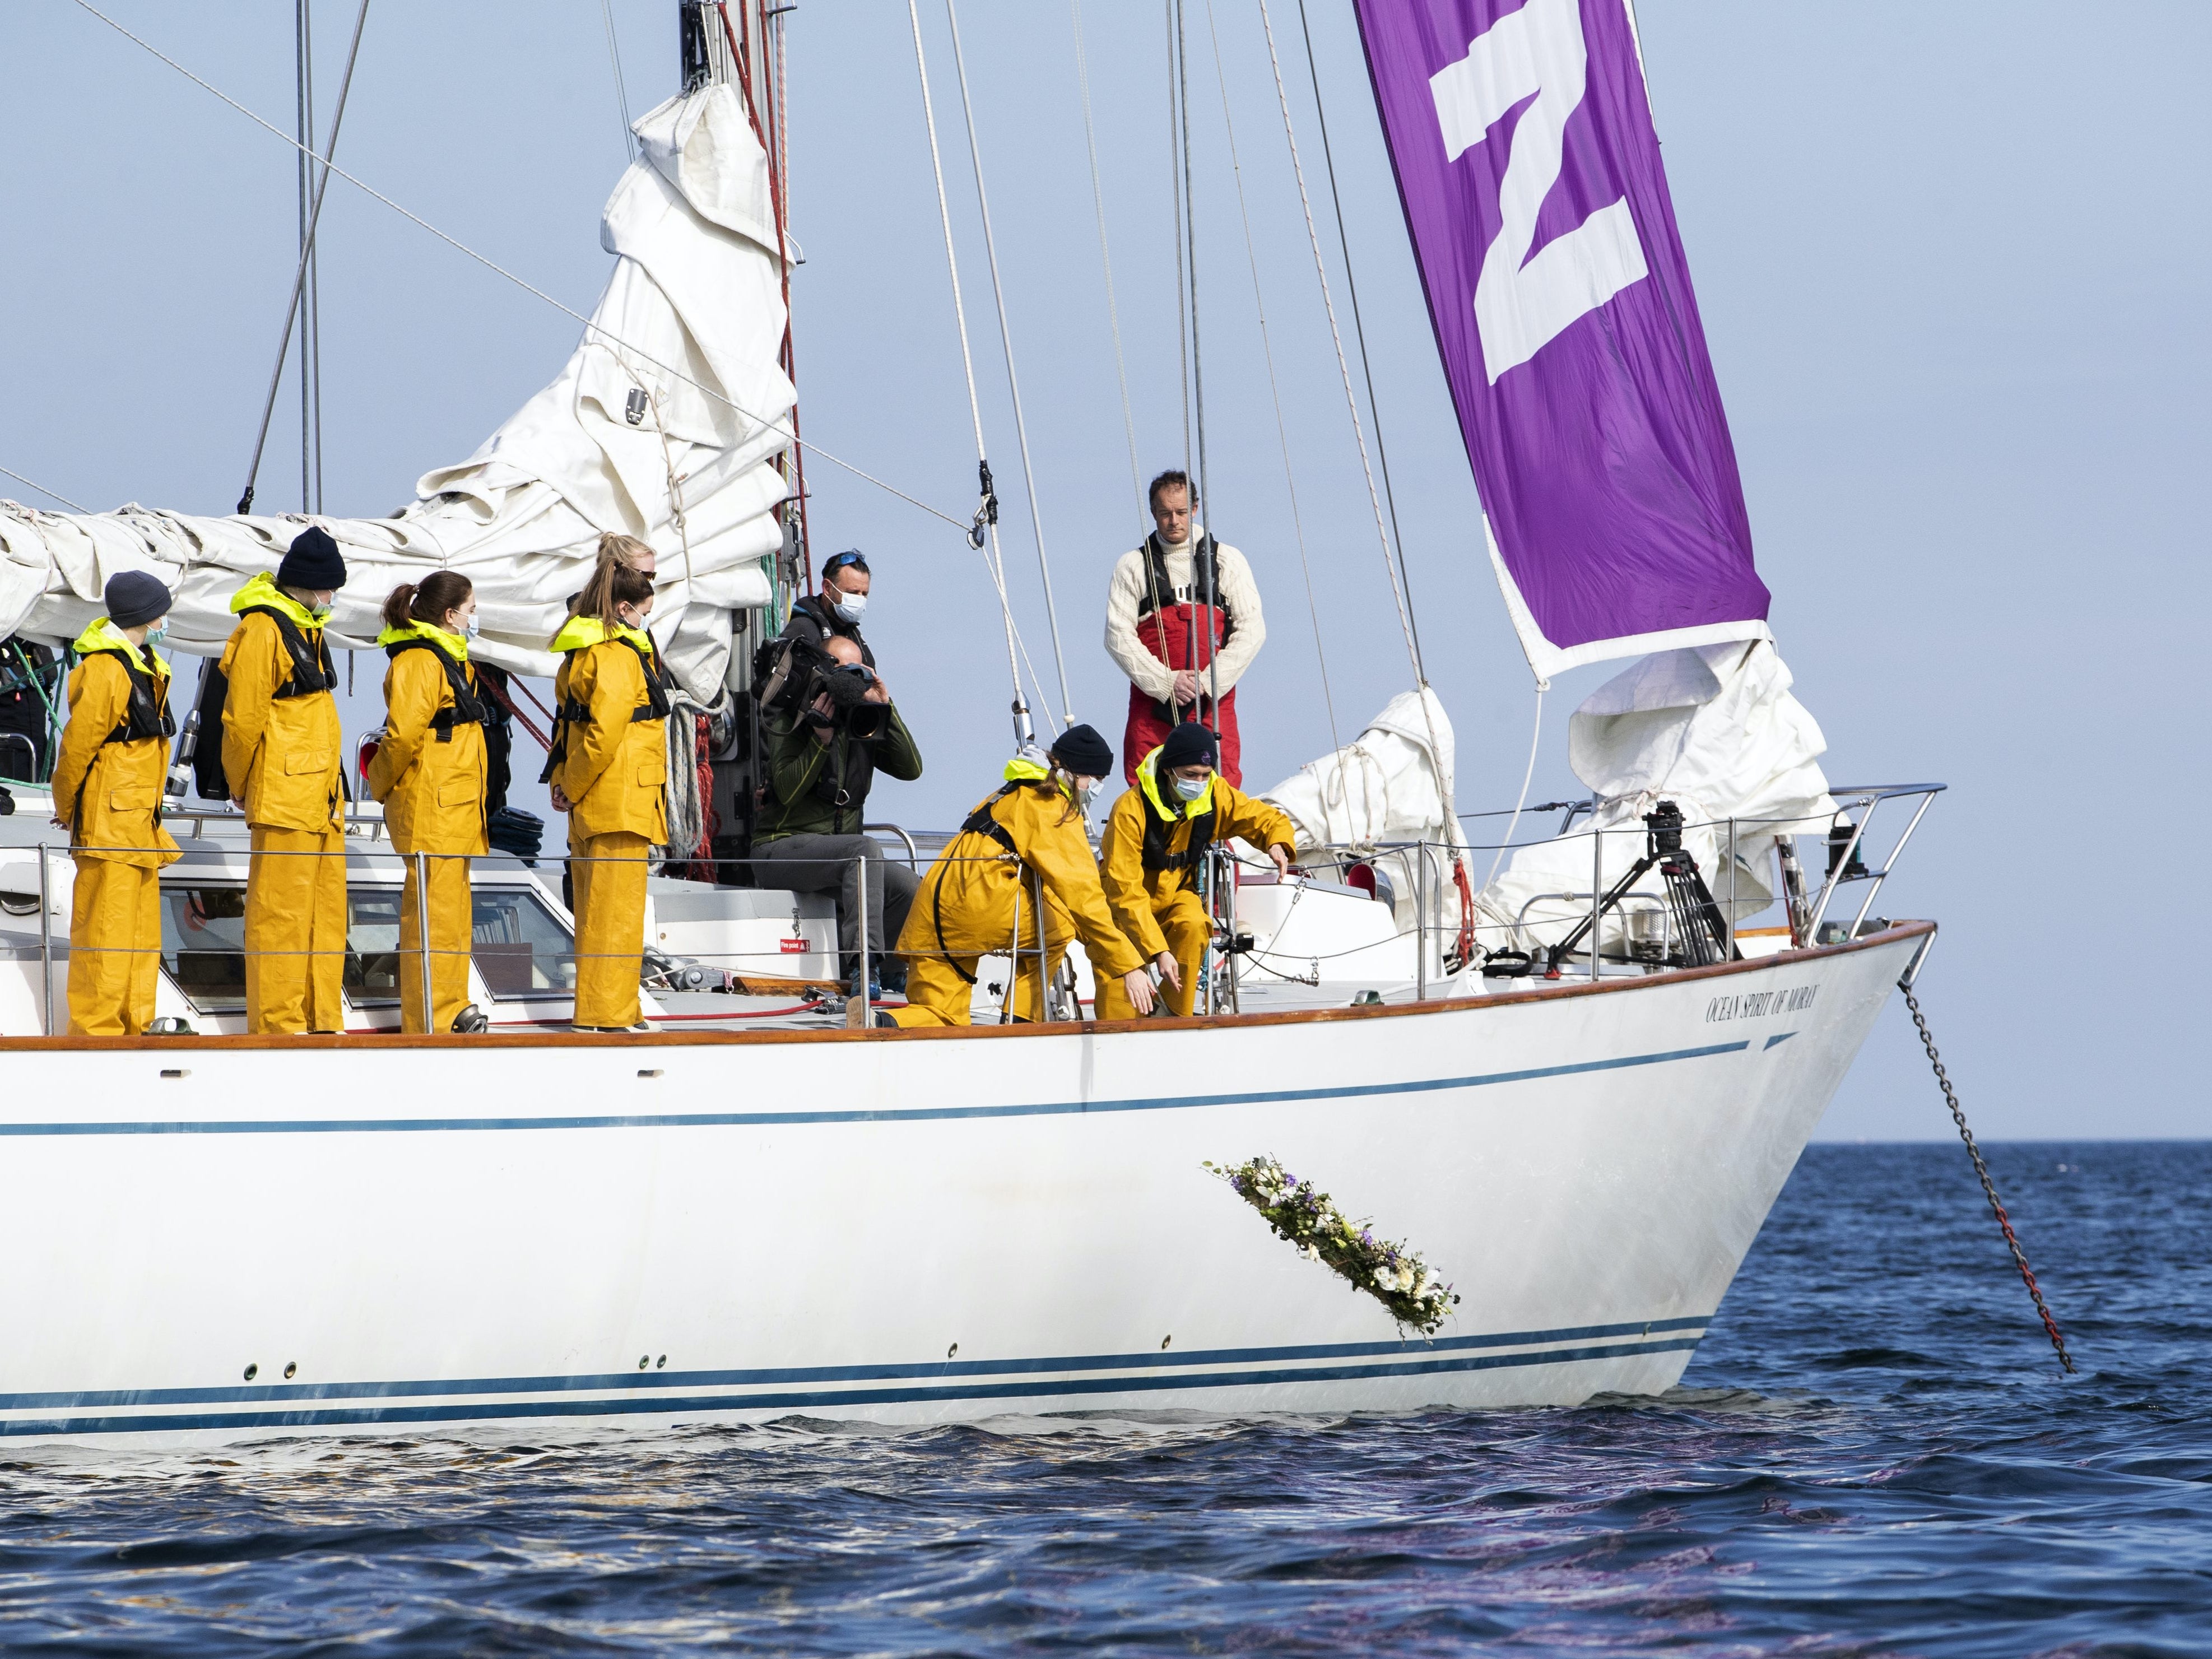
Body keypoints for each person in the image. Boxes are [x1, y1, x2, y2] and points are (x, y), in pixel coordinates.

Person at [887, 724, 1154, 1029]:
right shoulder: (1052, 809)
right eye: (1098, 779)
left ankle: (883, 1020)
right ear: (1077, 774)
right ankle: (1021, 1020)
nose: (1097, 787)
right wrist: (1127, 963)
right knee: (1061, 926)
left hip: (931, 912)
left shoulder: (1007, 793)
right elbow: (1083, 896)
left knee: (942, 1015)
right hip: (977, 910)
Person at [221, 526, 348, 1035]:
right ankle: (278, 1025)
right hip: (285, 797)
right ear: (308, 585)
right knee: (279, 917)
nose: (333, 598)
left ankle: (320, 1018)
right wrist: (240, 780)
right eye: (329, 589)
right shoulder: (263, 630)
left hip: (320, 800)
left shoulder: (306, 627)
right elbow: (241, 718)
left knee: (324, 916)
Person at [47, 571, 181, 1034]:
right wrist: (68, 807)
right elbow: (77, 746)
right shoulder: (106, 668)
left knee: (138, 933)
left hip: (138, 822)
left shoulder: (141, 663)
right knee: (104, 931)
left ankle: (134, 1023)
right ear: (148, 613)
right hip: (111, 823)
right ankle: (97, 1030)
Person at [754, 632, 922, 997]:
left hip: (833, 857)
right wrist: (820, 740)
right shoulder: (794, 717)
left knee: (909, 886)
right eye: (843, 669)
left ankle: (890, 969)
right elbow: (786, 790)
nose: (852, 678)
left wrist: (885, 708)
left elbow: (912, 769)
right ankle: (866, 967)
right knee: (865, 851)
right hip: (779, 848)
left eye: (859, 670)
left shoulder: (865, 720)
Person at [1094, 721, 1297, 1020]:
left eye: (1205, 775)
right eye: (1190, 775)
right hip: (1124, 911)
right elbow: (1123, 890)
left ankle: (1176, 1016)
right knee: (1118, 1009)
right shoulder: (1129, 809)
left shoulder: (1215, 794)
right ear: (1168, 770)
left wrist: (1277, 842)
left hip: (1177, 895)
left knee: (1193, 923)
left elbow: (1261, 817)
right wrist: (1159, 951)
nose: (1199, 782)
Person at [546, 557, 670, 1031]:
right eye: (643, 612)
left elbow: (569, 727)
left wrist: (564, 783)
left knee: (596, 913)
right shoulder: (617, 655)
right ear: (623, 608)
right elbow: (604, 732)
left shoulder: (581, 652)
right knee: (616, 916)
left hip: (593, 802)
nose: (645, 621)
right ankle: (607, 1015)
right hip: (619, 800)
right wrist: (571, 784)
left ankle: (613, 1006)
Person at [367, 571, 491, 1036]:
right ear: (450, 614)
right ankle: (431, 1021)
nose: (474, 618)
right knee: (432, 918)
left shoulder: (446, 658)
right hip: (433, 809)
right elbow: (401, 738)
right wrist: (379, 783)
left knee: (453, 919)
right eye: (471, 609)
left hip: (454, 808)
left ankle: (451, 1005)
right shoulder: (420, 661)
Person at [1104, 470, 1266, 787]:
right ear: (1153, 513)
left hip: (1213, 704)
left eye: (1180, 512)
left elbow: (1252, 631)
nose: (1174, 521)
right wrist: (1166, 683)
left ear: (1194, 508)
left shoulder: (1227, 561)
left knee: (1222, 784)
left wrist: (1207, 683)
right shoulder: (1133, 566)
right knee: (1146, 785)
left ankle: (1218, 838)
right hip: (1154, 707)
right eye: (1165, 513)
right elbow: (1117, 636)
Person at [781, 549, 876, 668]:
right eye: (852, 592)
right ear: (827, 588)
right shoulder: (804, 629)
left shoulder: (852, 633)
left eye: (864, 594)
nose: (860, 599)